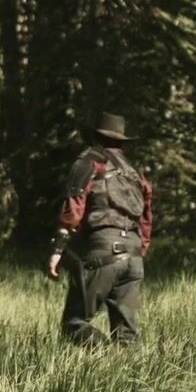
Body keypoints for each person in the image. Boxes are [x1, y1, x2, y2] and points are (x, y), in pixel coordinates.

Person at [45, 112, 153, 344]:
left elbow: (73, 209)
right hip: (134, 257)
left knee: (75, 323)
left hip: (103, 251)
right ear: (121, 142)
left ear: (95, 137)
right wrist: (138, 251)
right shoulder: (136, 173)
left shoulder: (88, 161)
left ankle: (102, 353)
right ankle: (125, 367)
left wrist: (57, 250)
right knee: (127, 337)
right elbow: (146, 220)